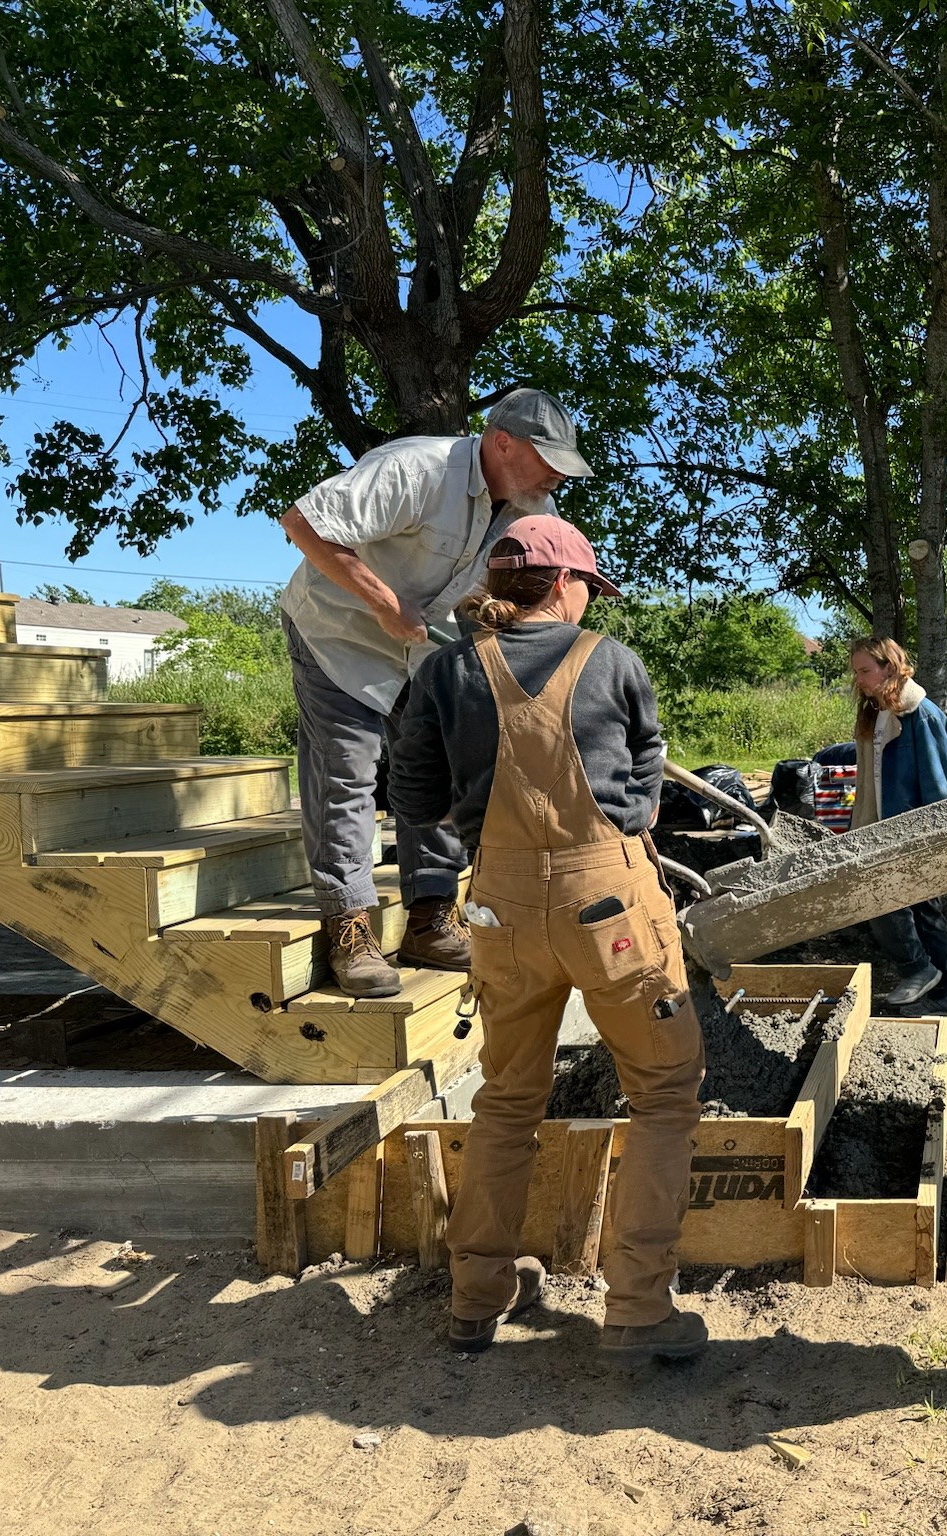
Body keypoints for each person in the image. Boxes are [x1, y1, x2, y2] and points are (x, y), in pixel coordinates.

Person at [390, 516, 708, 1359]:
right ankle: (639, 1307)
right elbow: (644, 779)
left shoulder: (444, 672)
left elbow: (412, 800)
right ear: (566, 585)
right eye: (585, 588)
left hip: (496, 910)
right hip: (608, 908)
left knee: (506, 1101)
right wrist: (618, 821)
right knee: (664, 1095)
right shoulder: (611, 660)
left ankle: (474, 1297)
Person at [280, 388, 592, 997]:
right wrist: (385, 602)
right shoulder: (417, 469)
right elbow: (304, 522)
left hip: (423, 650)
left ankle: (430, 918)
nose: (557, 473)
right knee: (349, 769)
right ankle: (349, 928)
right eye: (547, 457)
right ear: (502, 443)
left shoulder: (535, 513)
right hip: (336, 636)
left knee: (444, 765)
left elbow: (540, 598)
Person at [848, 636, 947, 1014]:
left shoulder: (923, 715)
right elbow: (872, 783)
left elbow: (942, 784)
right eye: (856, 672)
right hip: (882, 831)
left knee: (887, 901)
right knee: (920, 910)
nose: (860, 680)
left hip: (914, 832)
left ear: (889, 667)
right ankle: (945, 995)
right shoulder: (877, 714)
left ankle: (920, 970)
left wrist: (939, 839)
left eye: (865, 670)